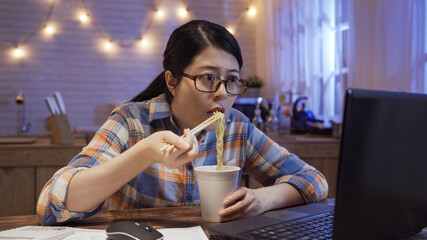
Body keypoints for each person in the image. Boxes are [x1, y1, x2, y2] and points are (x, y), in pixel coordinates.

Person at [37, 19, 328, 225]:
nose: (222, 94)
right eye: (208, 78)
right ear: (172, 81)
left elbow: (314, 180)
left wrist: (262, 200)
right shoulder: (132, 121)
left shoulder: (236, 127)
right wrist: (145, 152)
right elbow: (52, 202)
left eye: (231, 80)